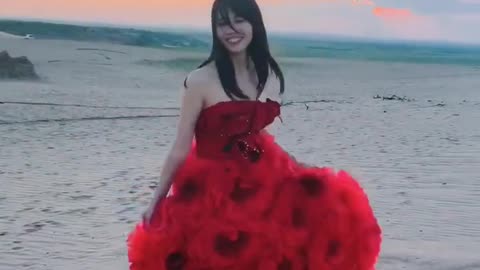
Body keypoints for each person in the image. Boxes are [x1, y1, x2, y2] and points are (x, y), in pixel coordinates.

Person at [126, 0, 382, 269]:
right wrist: (156, 199)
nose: (232, 29)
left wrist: (292, 165)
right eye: (223, 23)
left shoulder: (268, 74)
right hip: (213, 190)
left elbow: (254, 137)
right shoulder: (200, 80)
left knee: (315, 217)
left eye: (240, 20)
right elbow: (180, 147)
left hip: (262, 179)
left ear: (254, 25)